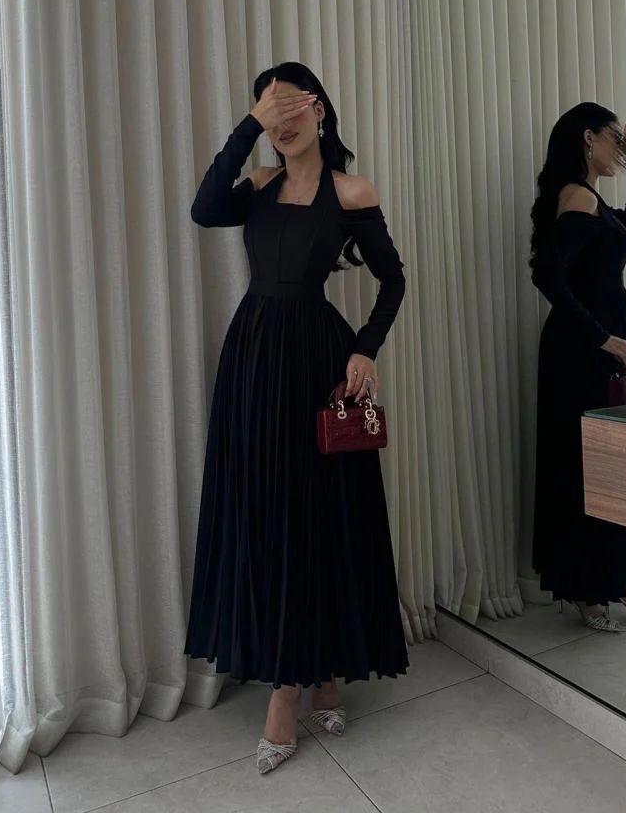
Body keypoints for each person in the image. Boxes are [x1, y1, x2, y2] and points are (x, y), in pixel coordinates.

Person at [184, 62, 409, 773]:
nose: (282, 121)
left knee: (321, 516)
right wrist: (247, 127)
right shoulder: (257, 184)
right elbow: (203, 208)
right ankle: (305, 676)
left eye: (291, 105)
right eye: (269, 112)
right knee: (268, 515)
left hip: (318, 361)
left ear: (319, 108)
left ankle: (305, 681)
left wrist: (366, 349)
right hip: (254, 361)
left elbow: (393, 279)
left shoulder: (352, 190)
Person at [529, 102, 626, 632]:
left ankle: (624, 580)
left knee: (622, 462)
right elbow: (547, 274)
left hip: (607, 339)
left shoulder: (593, 199)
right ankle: (594, 586)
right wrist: (601, 336)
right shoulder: (577, 197)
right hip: (585, 347)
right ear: (589, 139)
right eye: (614, 140)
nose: (618, 151)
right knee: (595, 464)